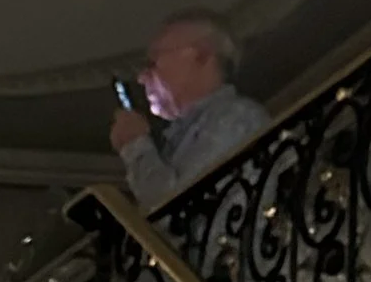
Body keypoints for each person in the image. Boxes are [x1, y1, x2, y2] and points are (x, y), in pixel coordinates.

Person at [108, 13, 270, 211]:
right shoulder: (180, 139)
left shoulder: (237, 118)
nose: (142, 78)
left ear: (201, 55)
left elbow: (176, 212)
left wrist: (136, 148)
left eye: (154, 62)